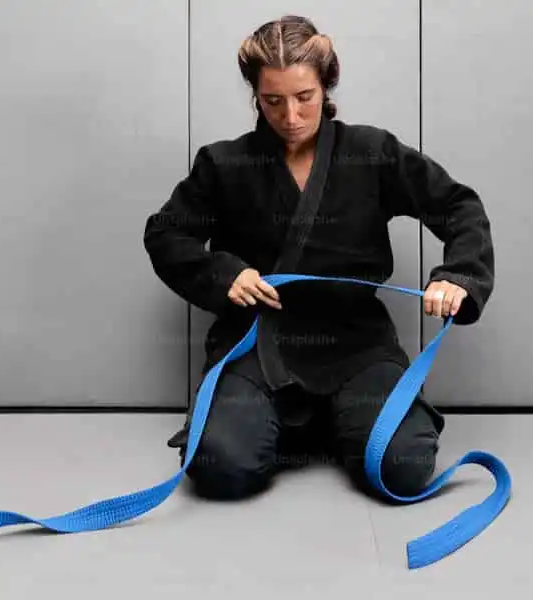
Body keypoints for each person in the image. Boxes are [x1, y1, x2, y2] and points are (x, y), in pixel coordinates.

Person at [143, 15, 494, 502]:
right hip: (257, 344)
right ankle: (290, 423)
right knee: (220, 465)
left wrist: (459, 275)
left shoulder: (371, 152)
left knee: (402, 466)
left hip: (356, 344)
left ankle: (344, 420)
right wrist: (223, 273)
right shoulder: (224, 164)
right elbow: (165, 234)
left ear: (326, 85)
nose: (290, 115)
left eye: (304, 97)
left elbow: (459, 206)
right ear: (255, 96)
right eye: (273, 101)